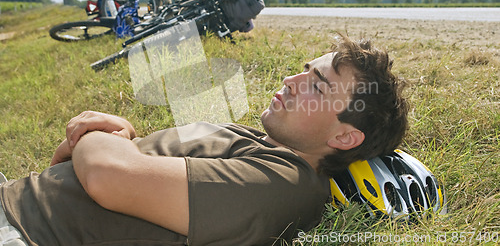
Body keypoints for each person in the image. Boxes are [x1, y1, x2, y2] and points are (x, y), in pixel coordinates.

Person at [0, 36, 408, 245]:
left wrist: (104, 133)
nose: (292, 80)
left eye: (316, 87)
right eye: (305, 70)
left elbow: (109, 176)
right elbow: (86, 163)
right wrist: (101, 141)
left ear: (344, 136)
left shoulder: (286, 184)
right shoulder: (254, 141)